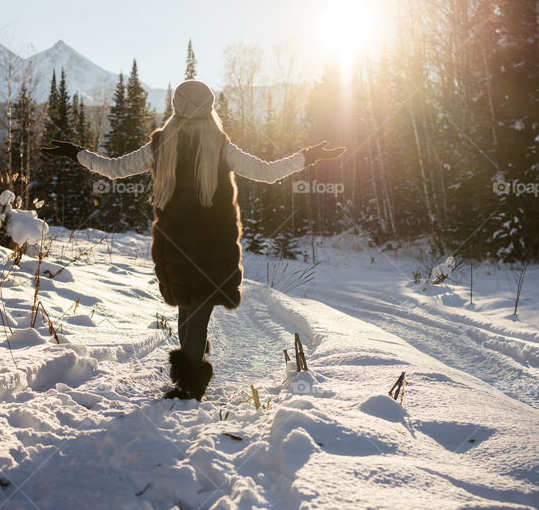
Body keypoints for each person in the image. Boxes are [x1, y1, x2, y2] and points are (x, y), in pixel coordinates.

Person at [43, 79, 344, 400]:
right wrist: (307, 156)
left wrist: (76, 154)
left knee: (189, 309)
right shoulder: (220, 145)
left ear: (176, 107)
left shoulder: (162, 145)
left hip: (174, 244)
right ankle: (189, 380)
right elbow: (267, 172)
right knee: (194, 311)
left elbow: (114, 169)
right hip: (213, 245)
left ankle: (189, 382)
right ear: (209, 108)